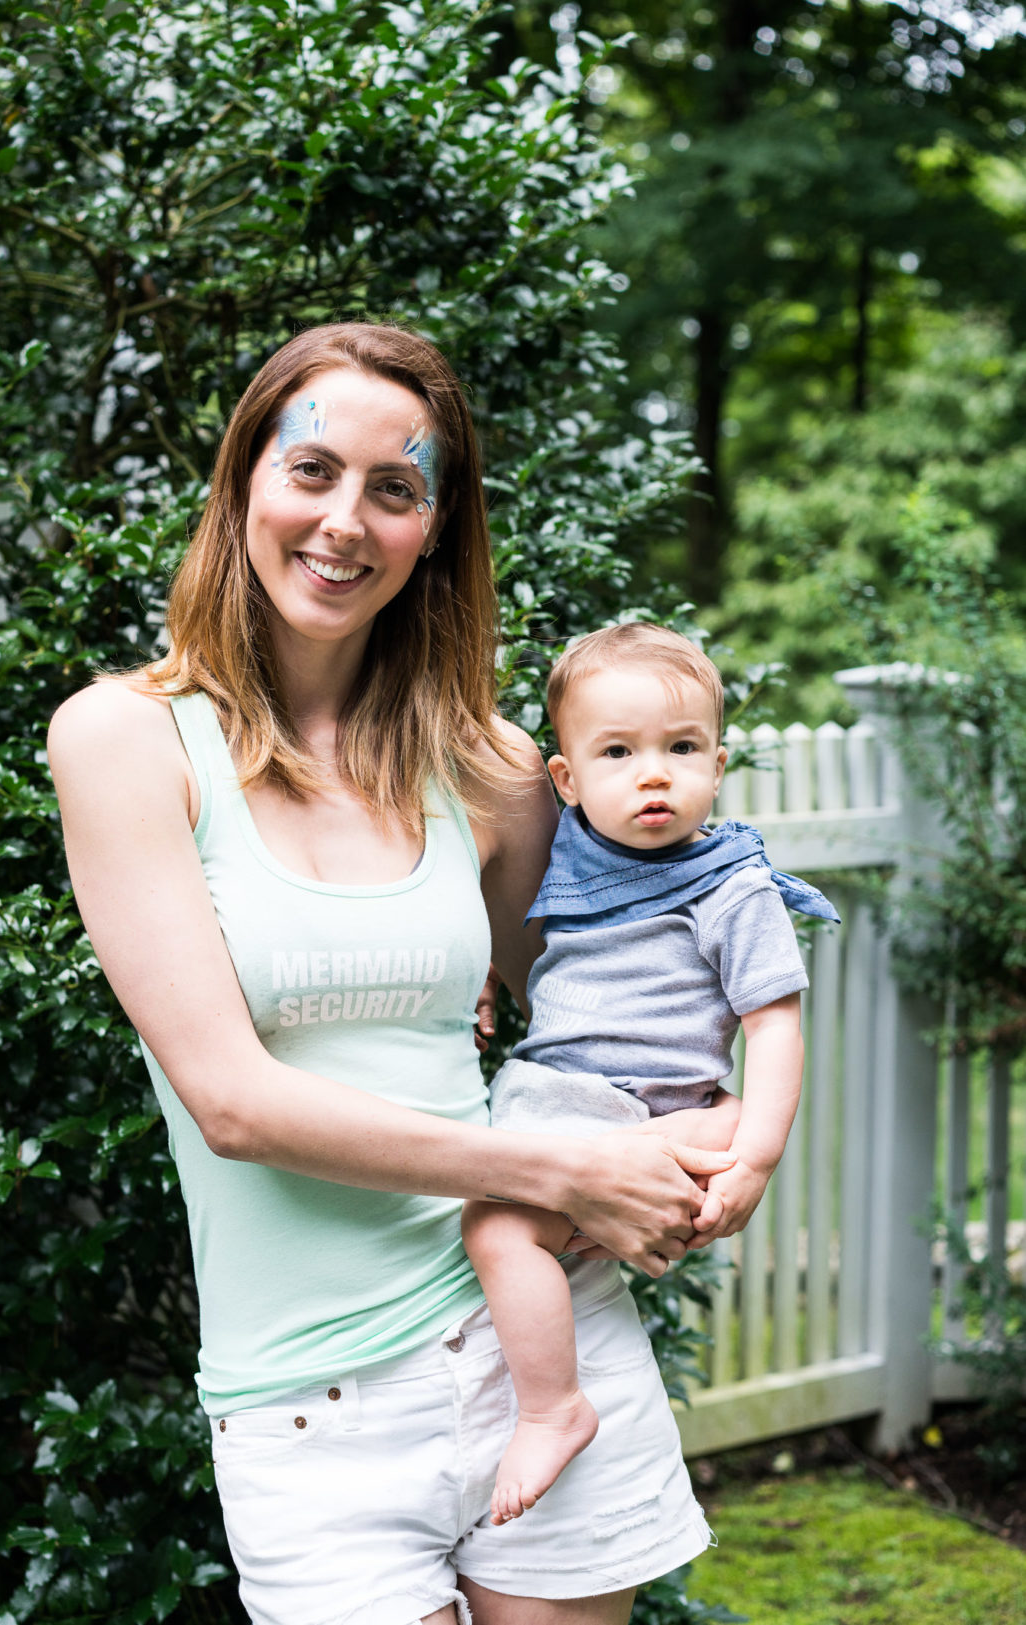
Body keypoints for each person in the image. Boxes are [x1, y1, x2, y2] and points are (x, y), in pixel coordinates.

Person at [47, 325, 741, 1625]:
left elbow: (601, 1014)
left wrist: (701, 1150)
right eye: (311, 469)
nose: (343, 520)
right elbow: (233, 1102)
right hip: (307, 1402)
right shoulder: (129, 741)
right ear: (245, 479)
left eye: (396, 488)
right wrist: (559, 1170)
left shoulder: (488, 764)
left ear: (437, 526)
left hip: (536, 1342)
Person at [462, 623, 840, 1527]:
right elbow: (494, 905)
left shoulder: (730, 885)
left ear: (718, 761)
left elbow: (775, 1026)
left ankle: (556, 1409)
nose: (655, 773)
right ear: (566, 781)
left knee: (497, 1229)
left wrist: (754, 1155)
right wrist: (476, 965)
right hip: (567, 1099)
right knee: (518, 1225)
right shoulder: (576, 858)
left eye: (682, 748)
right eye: (619, 752)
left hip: (661, 1111)